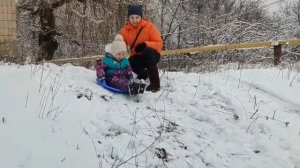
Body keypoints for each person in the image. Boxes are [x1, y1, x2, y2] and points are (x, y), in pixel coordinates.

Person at [120, 5, 163, 92]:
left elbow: (159, 43)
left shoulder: (149, 27)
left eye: (137, 17)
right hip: (137, 56)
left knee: (148, 52)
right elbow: (120, 45)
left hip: (152, 55)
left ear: (141, 17)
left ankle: (155, 84)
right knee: (129, 62)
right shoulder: (124, 30)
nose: (134, 20)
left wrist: (145, 44)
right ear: (128, 18)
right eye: (132, 17)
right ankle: (144, 74)